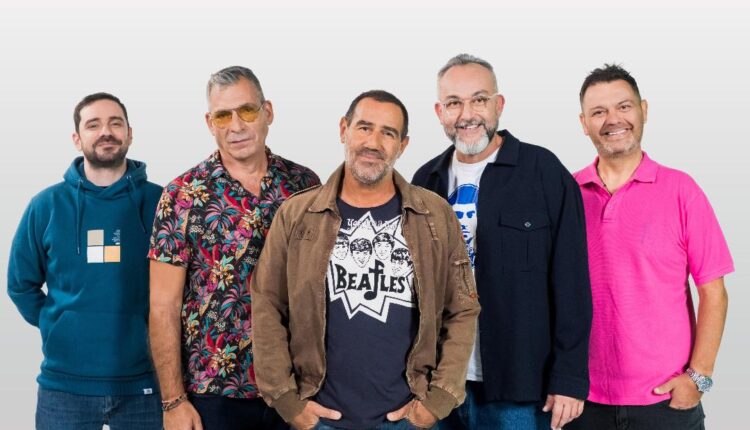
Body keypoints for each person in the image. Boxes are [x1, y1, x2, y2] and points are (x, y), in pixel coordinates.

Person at [250, 90, 481, 430]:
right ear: (343, 130)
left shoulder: (434, 215)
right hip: (319, 419)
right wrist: (287, 401)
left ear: (402, 145)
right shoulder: (298, 214)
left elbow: (462, 308)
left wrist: (438, 401)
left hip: (407, 420)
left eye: (388, 133)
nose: (373, 143)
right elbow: (267, 303)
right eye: (364, 128)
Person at [412, 54, 592, 430]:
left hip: (520, 388)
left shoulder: (543, 172)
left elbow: (573, 283)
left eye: (479, 99)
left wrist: (569, 379)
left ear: (499, 104)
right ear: (439, 112)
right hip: (438, 385)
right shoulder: (425, 180)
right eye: (454, 103)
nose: (467, 114)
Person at [148, 66, 320, 430]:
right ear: (210, 123)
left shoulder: (304, 186)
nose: (236, 126)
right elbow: (163, 305)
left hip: (294, 388)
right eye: (223, 115)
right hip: (213, 394)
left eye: (247, 111)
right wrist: (173, 401)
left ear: (268, 112)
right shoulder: (182, 195)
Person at [566, 64, 734, 430]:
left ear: (643, 110)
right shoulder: (566, 193)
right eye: (599, 111)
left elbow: (714, 292)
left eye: (624, 106)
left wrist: (699, 377)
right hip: (580, 401)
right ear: (583, 123)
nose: (613, 119)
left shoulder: (682, 190)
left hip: (666, 401)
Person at [7, 92, 162, 429]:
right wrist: (57, 325)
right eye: (93, 125)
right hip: (64, 387)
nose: (106, 132)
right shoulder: (46, 205)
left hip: (145, 383)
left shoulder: (161, 203)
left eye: (115, 123)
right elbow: (20, 285)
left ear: (129, 134)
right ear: (77, 139)